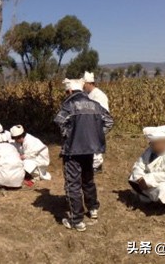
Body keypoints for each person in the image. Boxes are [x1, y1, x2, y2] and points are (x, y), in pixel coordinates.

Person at [54, 78, 114, 231]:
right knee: (88, 179)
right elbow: (109, 121)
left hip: (73, 150)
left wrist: (68, 134)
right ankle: (93, 208)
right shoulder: (95, 105)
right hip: (90, 149)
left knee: (73, 184)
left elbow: (59, 121)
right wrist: (96, 135)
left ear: (69, 91)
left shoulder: (69, 104)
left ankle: (76, 220)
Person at [83, 71, 110, 173]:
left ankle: (97, 166)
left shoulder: (99, 95)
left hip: (97, 124)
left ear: (89, 83)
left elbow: (104, 112)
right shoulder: (88, 94)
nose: (83, 87)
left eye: (84, 84)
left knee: (96, 146)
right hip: (90, 124)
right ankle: (91, 164)